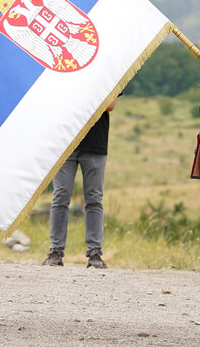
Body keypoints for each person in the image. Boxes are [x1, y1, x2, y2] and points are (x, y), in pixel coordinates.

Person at [43, 96, 117, 269]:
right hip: (65, 142)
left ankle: (94, 251)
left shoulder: (108, 73)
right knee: (60, 196)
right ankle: (56, 251)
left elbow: (110, 105)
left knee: (94, 198)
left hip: (95, 143)